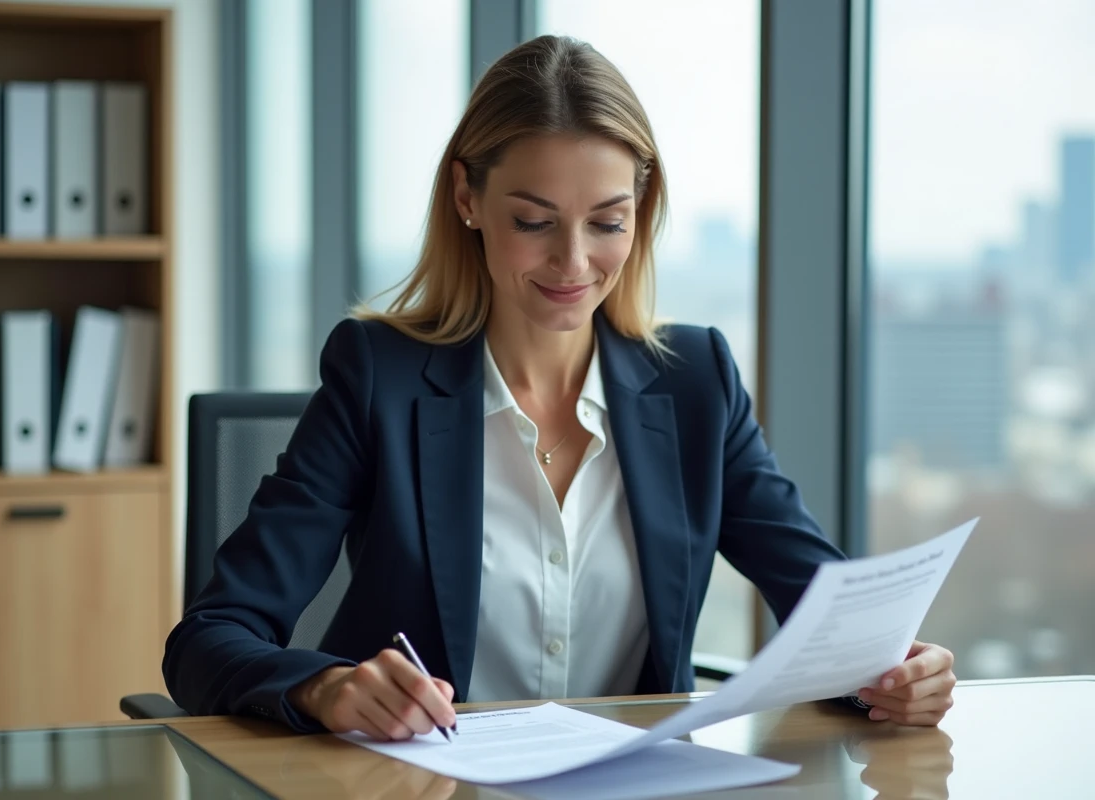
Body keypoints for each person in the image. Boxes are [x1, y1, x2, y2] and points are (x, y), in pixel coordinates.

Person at [162, 34, 957, 740]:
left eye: (607, 222)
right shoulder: (379, 376)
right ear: (467, 198)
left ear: (640, 213)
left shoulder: (696, 385)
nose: (574, 264)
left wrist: (891, 674)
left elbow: (834, 618)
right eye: (535, 222)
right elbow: (211, 638)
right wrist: (326, 686)